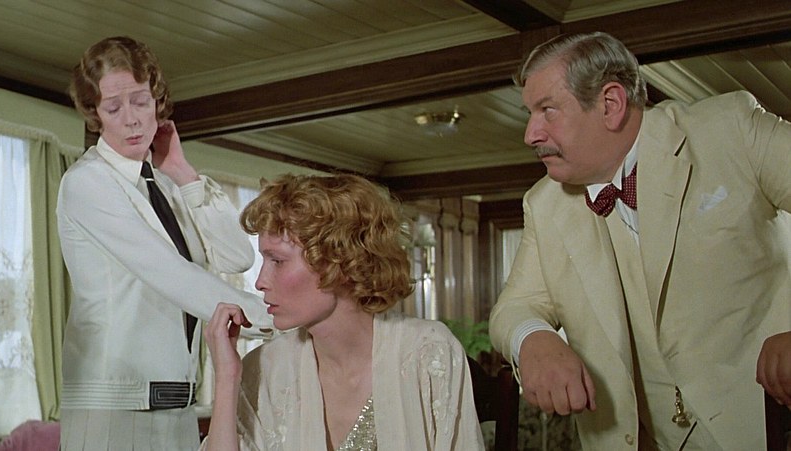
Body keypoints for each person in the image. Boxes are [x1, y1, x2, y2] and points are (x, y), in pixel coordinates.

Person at [488, 31, 791, 450]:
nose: (530, 134)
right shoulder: (544, 205)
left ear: (610, 104)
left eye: (547, 111)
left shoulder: (730, 128)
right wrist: (532, 340)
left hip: (770, 427)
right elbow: (513, 308)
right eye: (530, 113)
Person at [56, 36, 272, 450]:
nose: (131, 120)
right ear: (95, 115)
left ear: (157, 101)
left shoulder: (168, 187)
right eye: (113, 108)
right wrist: (282, 318)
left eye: (140, 102)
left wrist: (184, 173)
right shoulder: (88, 183)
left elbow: (238, 256)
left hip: (178, 404)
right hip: (113, 406)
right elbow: (172, 275)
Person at [200, 173, 484, 450]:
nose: (261, 282)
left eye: (278, 261)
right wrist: (226, 378)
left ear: (340, 261)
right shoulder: (267, 368)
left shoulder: (427, 351)